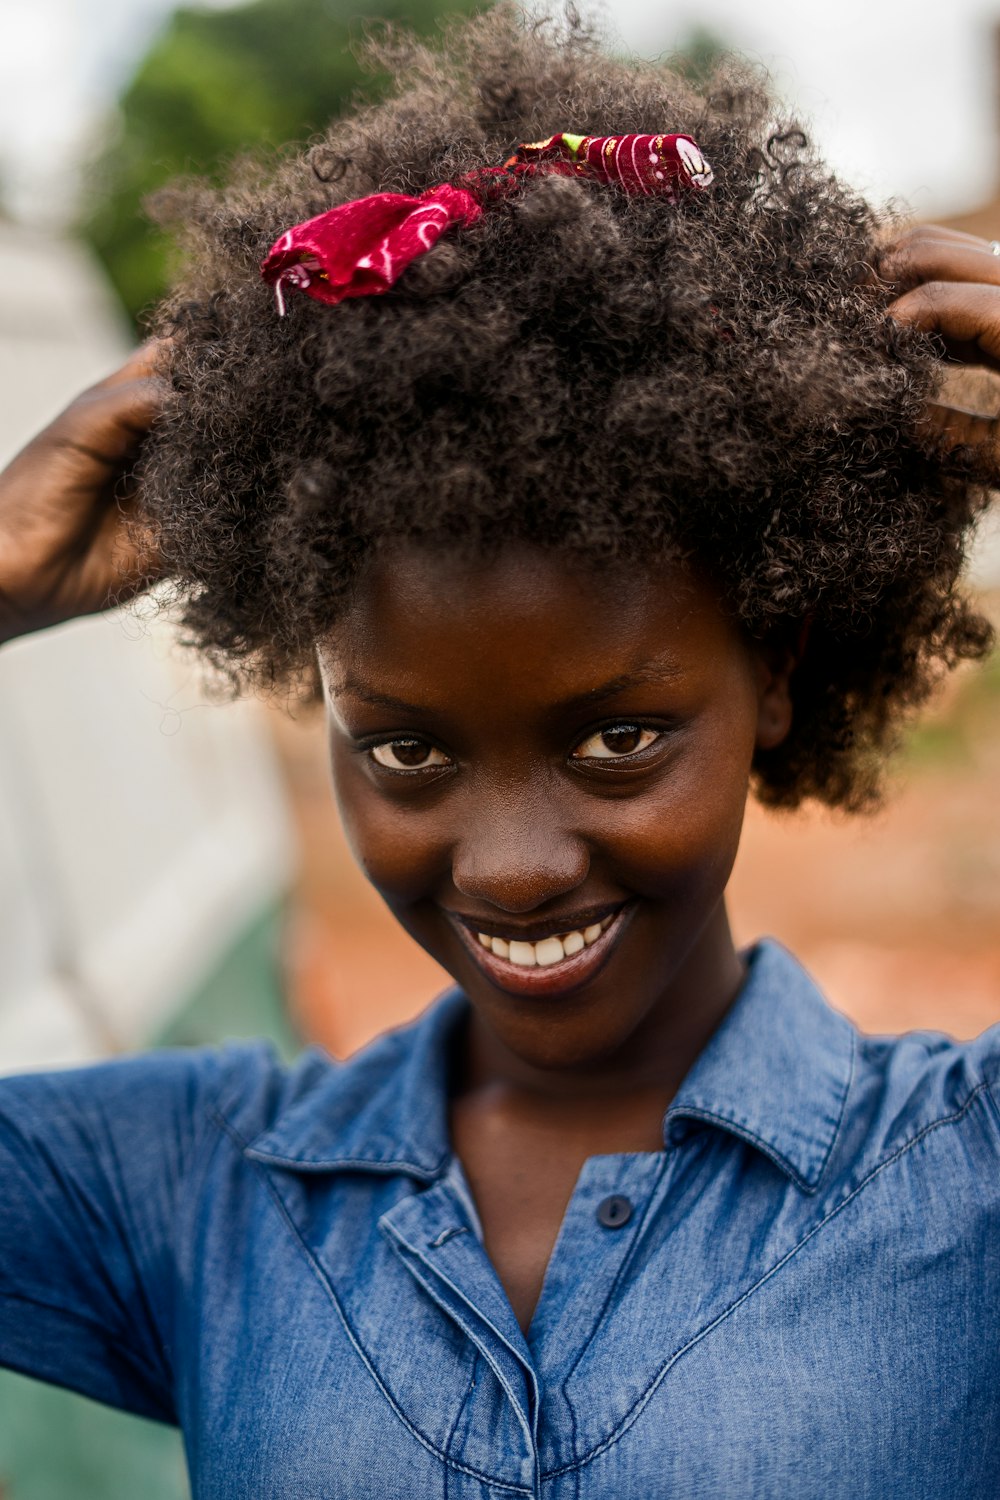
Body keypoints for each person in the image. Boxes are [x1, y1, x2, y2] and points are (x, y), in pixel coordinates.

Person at [1, 9, 998, 1496]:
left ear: (777, 677)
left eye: (616, 738)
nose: (514, 866)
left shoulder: (962, 1182)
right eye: (403, 752)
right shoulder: (192, 1193)